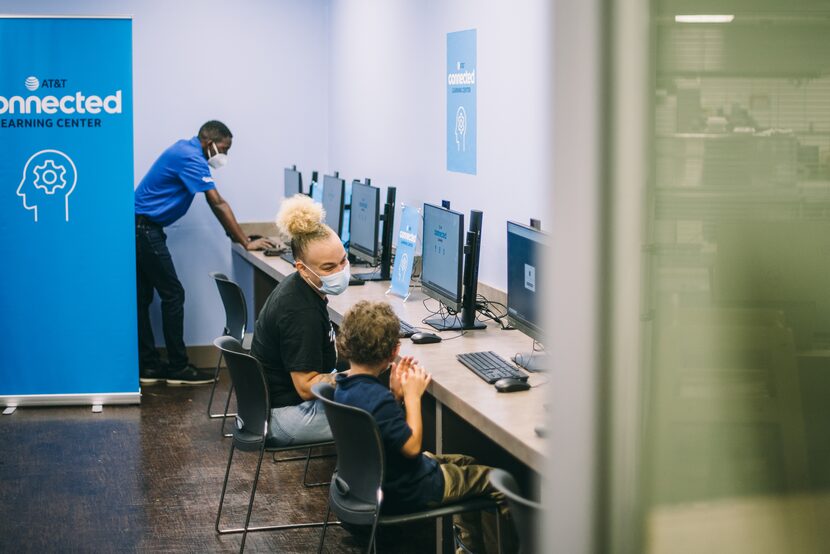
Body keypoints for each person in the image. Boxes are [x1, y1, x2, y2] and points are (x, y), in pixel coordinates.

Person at [334, 300, 517, 554]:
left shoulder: (344, 386)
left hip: (375, 482)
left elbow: (380, 429)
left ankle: (469, 548)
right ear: (393, 351)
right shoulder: (377, 399)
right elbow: (411, 447)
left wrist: (394, 396)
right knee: (497, 482)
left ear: (344, 343)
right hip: (408, 488)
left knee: (466, 461)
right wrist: (411, 398)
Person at [135, 120, 275, 386]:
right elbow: (217, 202)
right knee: (173, 294)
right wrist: (244, 241)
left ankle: (149, 366)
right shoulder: (191, 157)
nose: (225, 155)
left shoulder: (184, 150)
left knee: (144, 298)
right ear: (209, 143)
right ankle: (177, 367)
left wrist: (238, 236)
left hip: (141, 227)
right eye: (225, 148)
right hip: (144, 229)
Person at [250, 194, 351, 444]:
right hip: (284, 417)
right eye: (329, 268)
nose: (341, 272)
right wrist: (360, 377)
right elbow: (307, 388)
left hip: (273, 408)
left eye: (344, 260)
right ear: (302, 268)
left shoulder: (302, 288)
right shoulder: (300, 312)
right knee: (378, 413)